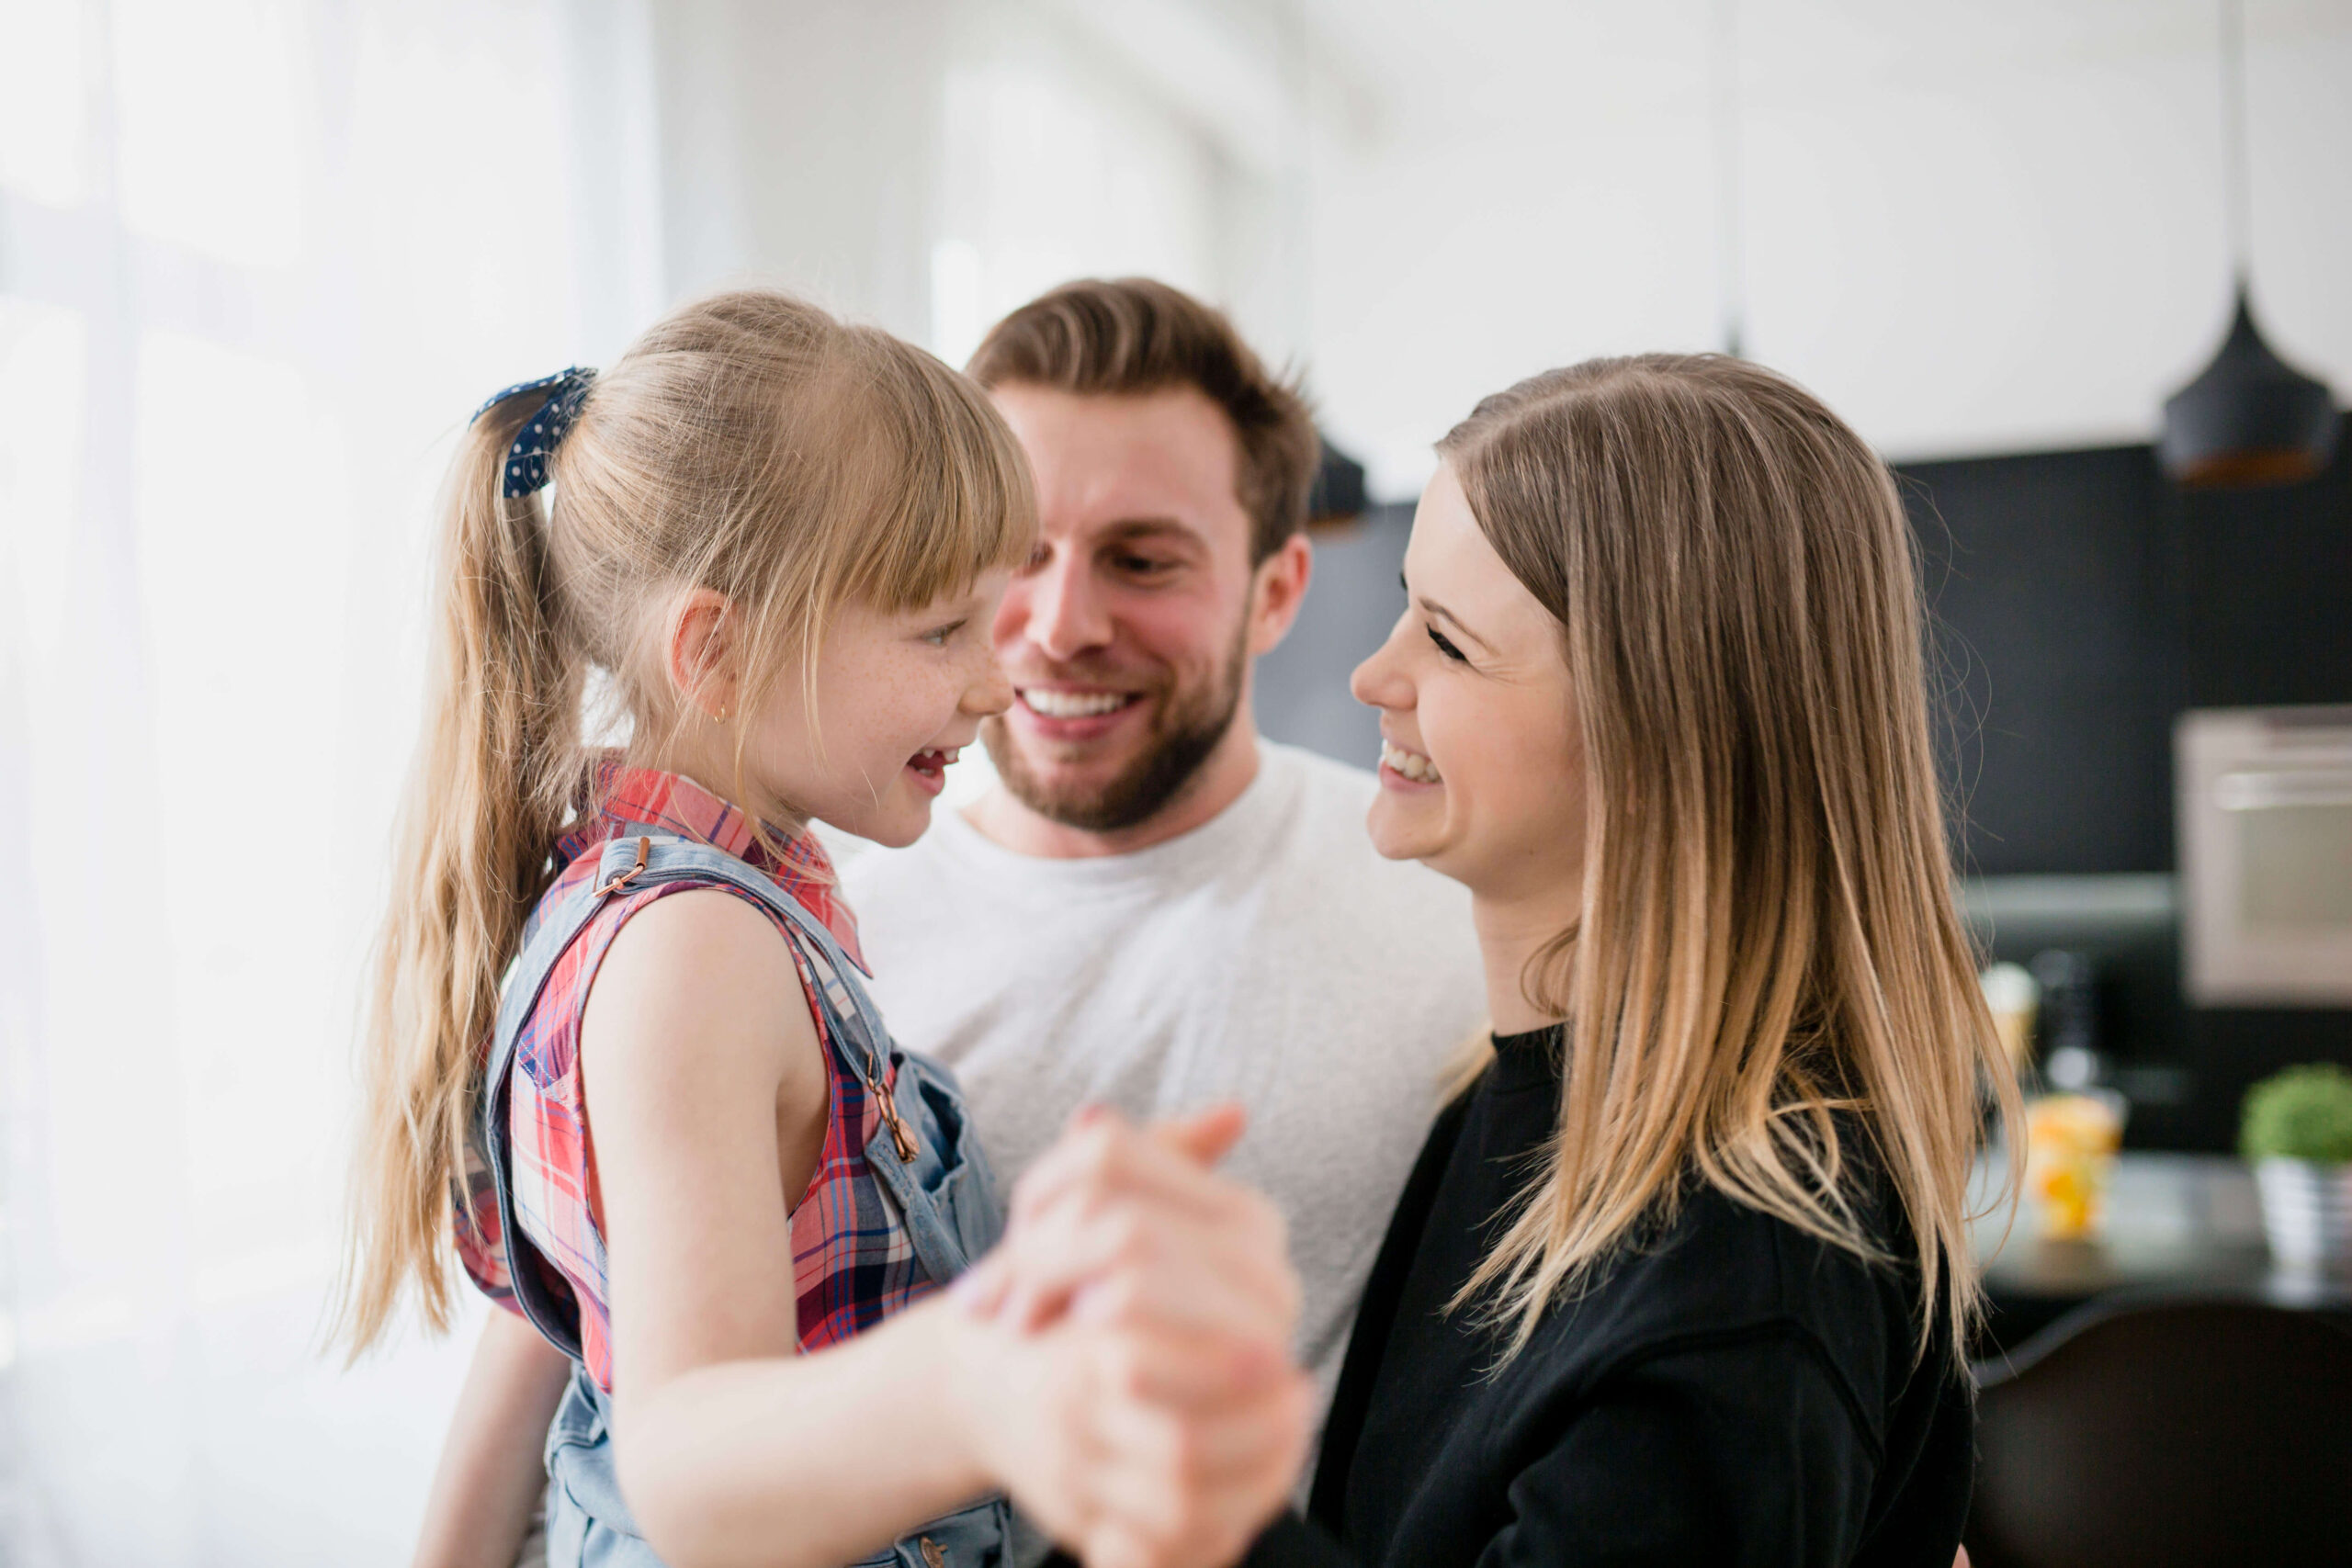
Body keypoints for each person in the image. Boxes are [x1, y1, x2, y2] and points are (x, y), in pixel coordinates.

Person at [977, 353, 2022, 1566]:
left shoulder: (1742, 1277)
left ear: (1656, 736)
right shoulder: (1515, 1099)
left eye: (1451, 643)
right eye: (1404, 605)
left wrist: (1174, 1489)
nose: (1376, 675)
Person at [347, 288, 1314, 1568]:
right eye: (940, 629)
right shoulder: (696, 948)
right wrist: (986, 1376)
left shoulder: (683, 890)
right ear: (717, 650)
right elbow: (692, 1458)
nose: (996, 675)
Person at [833, 278, 1489, 1419]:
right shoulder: (821, 938)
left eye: (1142, 562)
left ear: (1275, 592)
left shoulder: (1457, 910)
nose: (1060, 624)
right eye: (1014, 554)